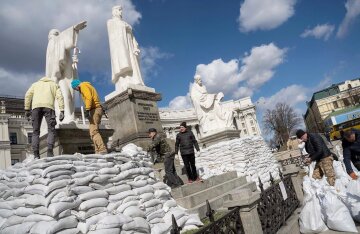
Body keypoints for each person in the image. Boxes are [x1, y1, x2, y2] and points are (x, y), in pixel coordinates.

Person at [46, 21, 86, 123]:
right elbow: (53, 65)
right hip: (56, 79)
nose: (55, 38)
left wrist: (74, 29)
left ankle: (67, 116)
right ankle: (65, 117)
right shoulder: (53, 44)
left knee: (67, 95)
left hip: (61, 77)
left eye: (56, 35)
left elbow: (64, 41)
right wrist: (74, 29)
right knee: (65, 95)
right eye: (55, 35)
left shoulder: (57, 44)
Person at [24, 77, 65, 158]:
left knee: (35, 132)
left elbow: (27, 95)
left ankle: (36, 154)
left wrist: (27, 109)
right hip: (49, 107)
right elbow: (60, 96)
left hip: (35, 108)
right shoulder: (54, 85)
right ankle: (50, 151)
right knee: (51, 130)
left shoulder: (35, 85)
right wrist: (62, 110)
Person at [107, 5, 144, 93]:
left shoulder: (125, 23)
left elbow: (132, 37)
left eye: (121, 10)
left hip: (129, 47)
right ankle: (124, 82)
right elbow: (113, 35)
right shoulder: (111, 22)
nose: (121, 12)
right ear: (115, 11)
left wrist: (135, 46)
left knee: (133, 63)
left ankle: (136, 81)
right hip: (120, 48)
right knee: (124, 63)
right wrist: (124, 27)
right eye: (119, 10)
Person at [71, 80, 107, 154]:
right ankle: (97, 151)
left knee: (94, 131)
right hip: (97, 109)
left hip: (94, 110)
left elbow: (88, 97)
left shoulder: (83, 86)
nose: (76, 90)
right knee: (93, 131)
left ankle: (102, 149)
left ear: (76, 85)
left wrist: (87, 109)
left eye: (75, 88)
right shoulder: (88, 86)